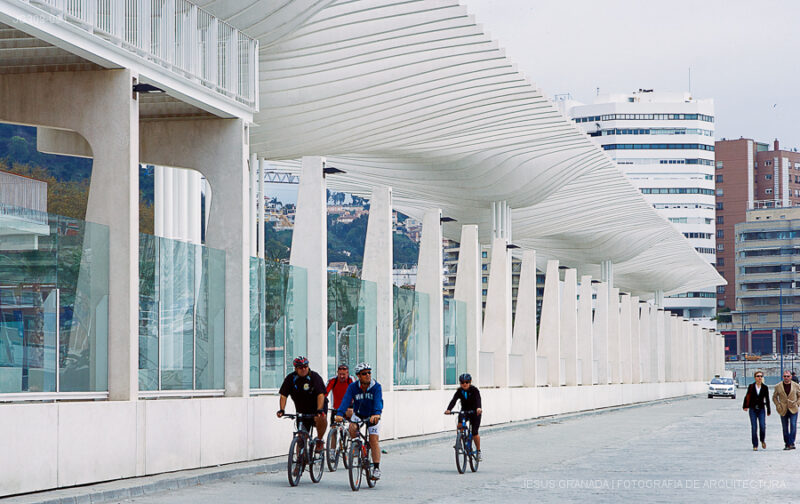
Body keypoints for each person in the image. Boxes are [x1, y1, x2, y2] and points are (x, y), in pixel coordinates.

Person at [335, 362, 383, 480]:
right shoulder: (353, 387)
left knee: (373, 440)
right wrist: (340, 414)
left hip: (372, 415)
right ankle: (357, 446)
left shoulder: (376, 387)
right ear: (358, 376)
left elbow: (378, 401)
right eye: (364, 373)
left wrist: (377, 413)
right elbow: (346, 400)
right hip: (359, 414)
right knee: (352, 427)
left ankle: (376, 468)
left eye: (369, 373)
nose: (367, 375)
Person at [276, 356, 327, 451]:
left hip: (317, 406)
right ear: (295, 368)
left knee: (321, 418)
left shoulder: (314, 377)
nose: (304, 369)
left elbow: (321, 394)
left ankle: (319, 440)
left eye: (305, 366)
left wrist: (319, 409)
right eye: (300, 367)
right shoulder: (290, 378)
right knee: (301, 438)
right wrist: (282, 409)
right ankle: (299, 462)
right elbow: (283, 395)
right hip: (302, 410)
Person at [444, 373, 483, 461]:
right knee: (460, 425)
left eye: (466, 382)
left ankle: (478, 451)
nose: (464, 384)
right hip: (464, 411)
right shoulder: (459, 391)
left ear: (470, 382)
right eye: (462, 382)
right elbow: (453, 400)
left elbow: (478, 399)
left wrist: (478, 408)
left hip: (475, 412)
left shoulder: (474, 390)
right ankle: (460, 442)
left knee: (474, 432)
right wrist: (449, 409)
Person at [326, 363, 354, 448]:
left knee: (353, 427)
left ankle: (355, 444)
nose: (341, 376)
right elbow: (324, 393)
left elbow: (357, 393)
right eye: (340, 374)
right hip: (336, 409)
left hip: (349, 407)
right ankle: (332, 451)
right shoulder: (332, 380)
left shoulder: (351, 380)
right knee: (333, 430)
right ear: (337, 373)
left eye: (344, 374)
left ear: (348, 373)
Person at [742, 370, 771, 451]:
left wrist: (768, 410)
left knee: (762, 426)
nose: (759, 378)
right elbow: (747, 396)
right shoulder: (751, 386)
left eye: (761, 376)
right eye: (758, 376)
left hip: (761, 409)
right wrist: (745, 406)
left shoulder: (765, 387)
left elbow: (767, 399)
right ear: (755, 378)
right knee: (754, 427)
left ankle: (762, 440)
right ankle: (755, 444)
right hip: (753, 409)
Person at [773, 370, 800, 450]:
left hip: (793, 408)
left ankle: (791, 443)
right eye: (785, 376)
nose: (786, 378)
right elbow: (774, 397)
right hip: (783, 409)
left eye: (788, 376)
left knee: (793, 425)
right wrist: (778, 405)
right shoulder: (778, 386)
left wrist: (797, 403)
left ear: (791, 377)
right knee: (785, 427)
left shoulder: (796, 385)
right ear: (782, 377)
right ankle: (787, 443)